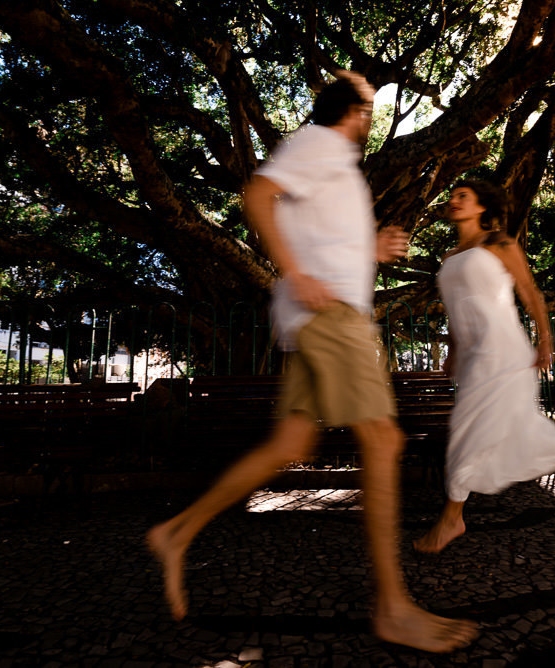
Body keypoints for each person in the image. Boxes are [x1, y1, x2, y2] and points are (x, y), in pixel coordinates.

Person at [147, 71, 477, 653]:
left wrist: (370, 248)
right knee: (382, 438)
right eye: (369, 107)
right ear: (351, 110)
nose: (372, 117)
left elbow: (322, 237)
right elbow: (256, 194)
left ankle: (177, 532)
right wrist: (294, 273)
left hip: (318, 316)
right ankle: (392, 607)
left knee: (290, 447)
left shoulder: (338, 168)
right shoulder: (317, 142)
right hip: (330, 316)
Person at [414, 180, 555, 554]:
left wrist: (546, 340)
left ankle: (451, 518)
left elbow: (529, 291)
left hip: (504, 352)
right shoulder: (450, 255)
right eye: (453, 196)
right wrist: (453, 350)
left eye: (463, 197)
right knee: (519, 427)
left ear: (481, 206)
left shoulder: (499, 243)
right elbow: (456, 307)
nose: (453, 201)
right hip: (474, 357)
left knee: (468, 431)